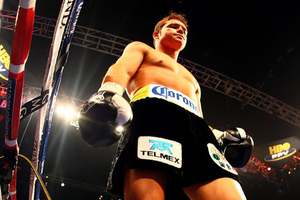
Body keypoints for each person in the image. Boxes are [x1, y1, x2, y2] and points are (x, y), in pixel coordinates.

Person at [79, 12, 253, 200]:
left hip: (195, 128)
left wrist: (221, 136)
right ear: (157, 34)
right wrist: (109, 91)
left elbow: (199, 120)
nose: (180, 31)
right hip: (153, 116)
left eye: (184, 30)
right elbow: (122, 68)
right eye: (173, 27)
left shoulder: (192, 79)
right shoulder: (142, 49)